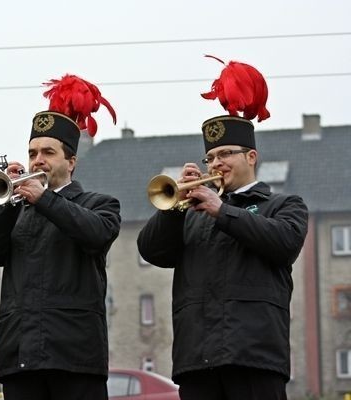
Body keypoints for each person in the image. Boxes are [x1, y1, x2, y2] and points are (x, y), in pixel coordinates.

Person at [137, 57, 309, 400]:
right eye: (210, 157)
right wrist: (175, 207)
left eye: (225, 154)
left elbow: (284, 243)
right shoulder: (192, 211)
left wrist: (222, 210)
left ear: (251, 157)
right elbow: (151, 250)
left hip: (255, 359)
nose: (216, 164)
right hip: (196, 359)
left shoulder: (284, 205)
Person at [0, 74, 121, 400]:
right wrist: (6, 206)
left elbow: (95, 235)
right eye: (32, 152)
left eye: (48, 152)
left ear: (71, 162)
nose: (37, 160)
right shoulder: (17, 210)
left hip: (76, 358)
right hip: (20, 356)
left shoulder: (99, 205)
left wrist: (45, 199)